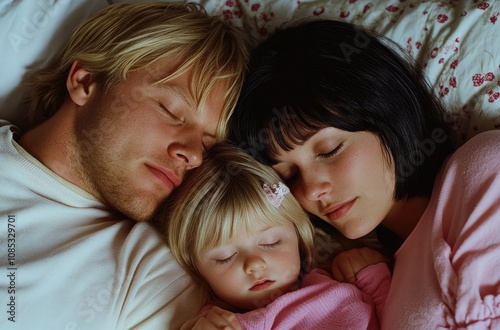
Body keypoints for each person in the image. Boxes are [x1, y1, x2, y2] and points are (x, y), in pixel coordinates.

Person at [228, 18, 500, 329]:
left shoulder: (480, 169)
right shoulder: (383, 283)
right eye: (290, 176)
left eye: (330, 150)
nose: (312, 190)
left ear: (385, 108)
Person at [0, 2, 251, 329]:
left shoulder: (151, 277)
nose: (194, 156)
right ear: (86, 81)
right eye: (172, 112)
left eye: (207, 143)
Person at [154, 143, 391, 329]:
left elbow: (397, 315)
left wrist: (372, 276)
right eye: (225, 257)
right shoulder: (224, 323)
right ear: (197, 269)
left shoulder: (340, 279)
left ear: (298, 234)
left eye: (271, 242)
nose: (254, 264)